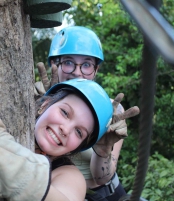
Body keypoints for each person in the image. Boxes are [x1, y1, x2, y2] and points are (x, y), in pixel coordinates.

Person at [34, 26, 140, 201]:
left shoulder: (110, 111)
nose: (77, 72)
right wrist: (38, 104)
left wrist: (103, 151)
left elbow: (102, 177)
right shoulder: (38, 96)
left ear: (95, 70)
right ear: (54, 64)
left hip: (101, 194)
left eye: (86, 65)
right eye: (68, 62)